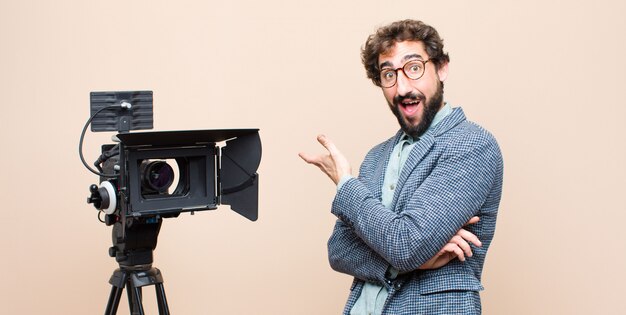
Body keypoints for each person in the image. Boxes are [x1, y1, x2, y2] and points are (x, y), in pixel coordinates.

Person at [299, 19, 503, 314]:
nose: (403, 87)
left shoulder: (471, 144)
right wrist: (414, 259)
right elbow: (339, 251)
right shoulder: (376, 157)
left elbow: (406, 244)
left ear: (442, 67)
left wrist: (346, 183)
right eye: (389, 74)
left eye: (414, 68)